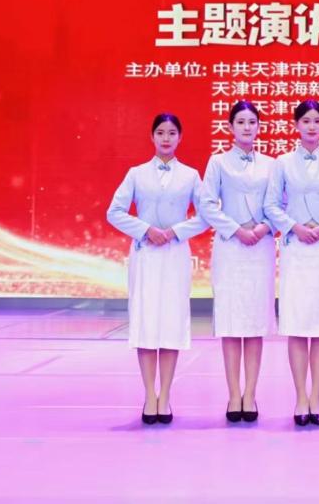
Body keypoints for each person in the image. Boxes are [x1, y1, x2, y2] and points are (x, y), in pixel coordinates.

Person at [106, 113, 209, 425]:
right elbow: (114, 211)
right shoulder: (136, 174)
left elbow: (206, 215)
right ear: (152, 137)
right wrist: (145, 230)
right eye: (161, 132)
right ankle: (149, 395)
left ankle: (165, 396)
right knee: (147, 322)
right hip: (146, 255)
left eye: (172, 133)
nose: (166, 138)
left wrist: (176, 231)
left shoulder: (191, 176)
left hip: (175, 254)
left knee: (171, 323)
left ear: (180, 138)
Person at [264, 100, 319, 426]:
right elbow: (271, 205)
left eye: (317, 121)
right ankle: (300, 397)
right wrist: (294, 227)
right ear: (296, 125)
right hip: (296, 248)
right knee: (297, 325)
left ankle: (317, 396)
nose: (311, 126)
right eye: (306, 121)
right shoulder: (282, 163)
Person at [198, 101, 277, 423]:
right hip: (230, 247)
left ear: (259, 127)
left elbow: (279, 203)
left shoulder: (272, 164)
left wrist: (262, 228)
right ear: (230, 127)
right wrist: (235, 230)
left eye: (252, 122)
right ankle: (233, 394)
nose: (247, 127)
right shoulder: (218, 162)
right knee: (231, 323)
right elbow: (207, 204)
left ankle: (251, 394)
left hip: (260, 246)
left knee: (255, 323)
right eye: (241, 122)